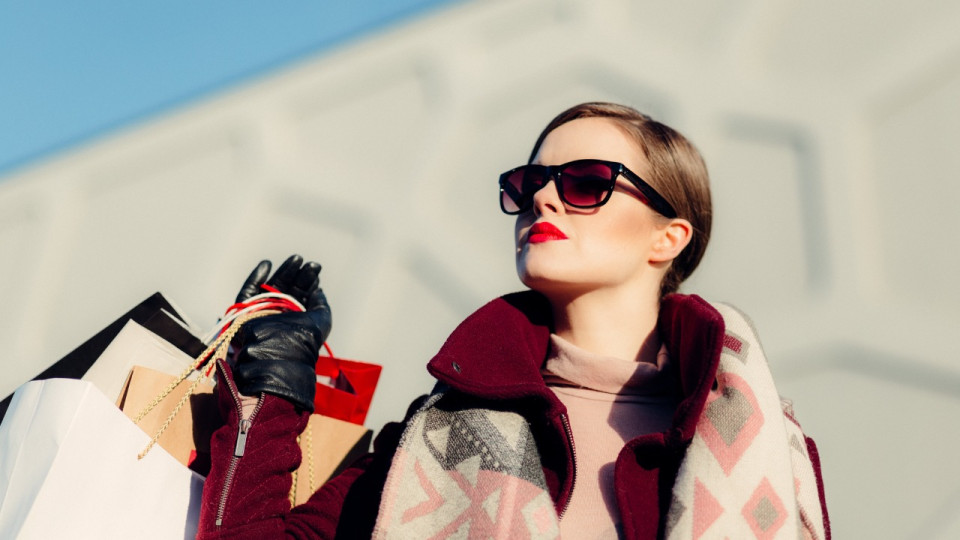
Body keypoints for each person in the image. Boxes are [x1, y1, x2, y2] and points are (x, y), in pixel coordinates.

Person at [197, 102, 830, 539]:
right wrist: (271, 390)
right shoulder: (436, 433)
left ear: (667, 238)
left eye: (586, 183)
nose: (544, 199)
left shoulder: (758, 442)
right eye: (531, 183)